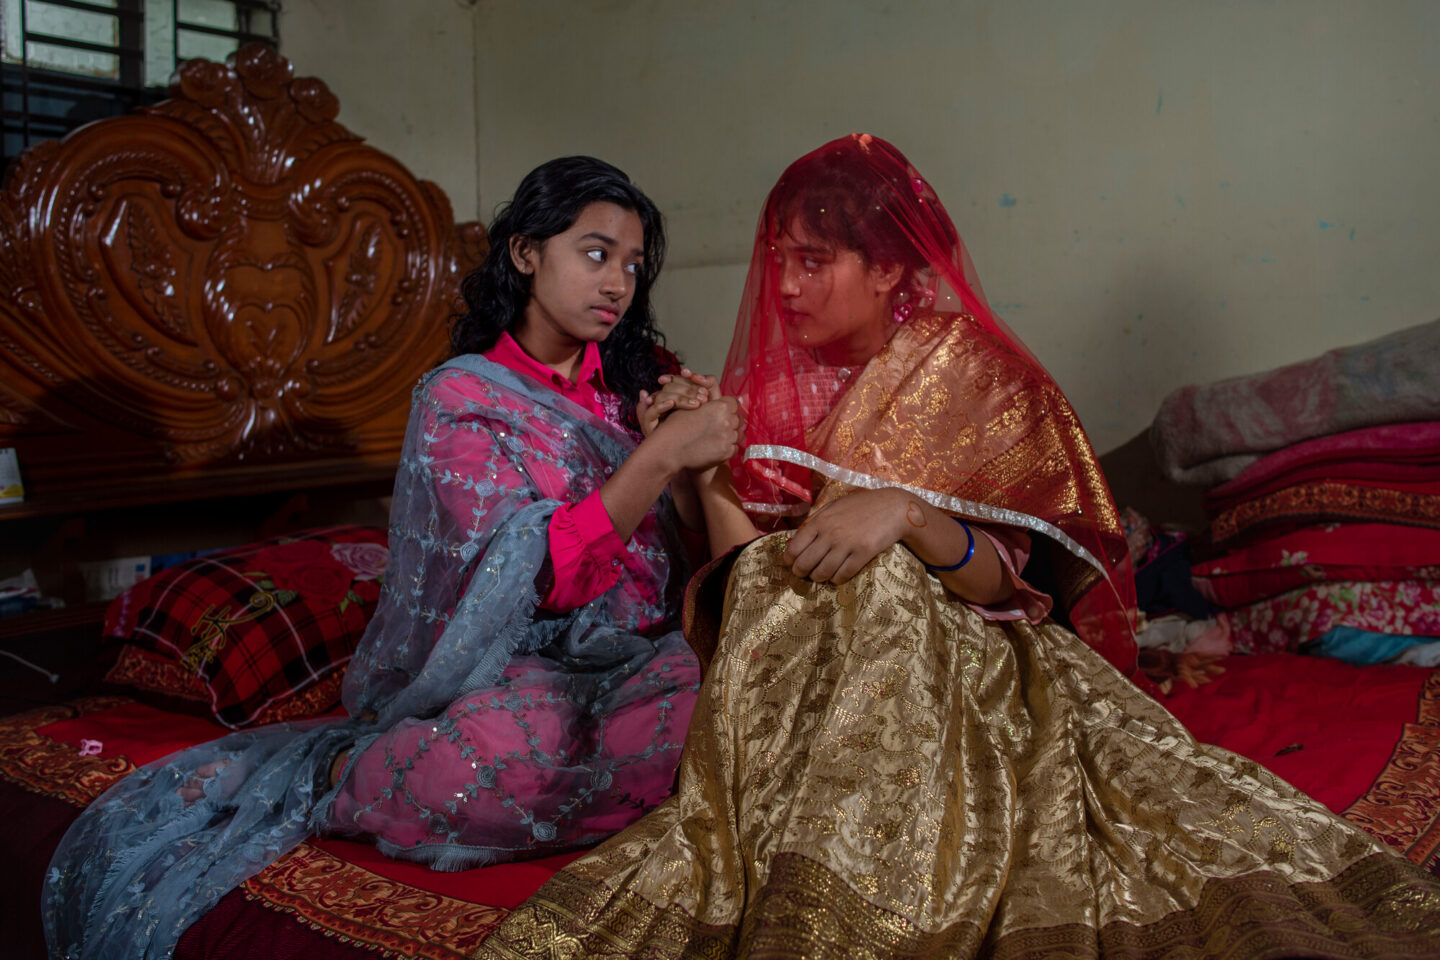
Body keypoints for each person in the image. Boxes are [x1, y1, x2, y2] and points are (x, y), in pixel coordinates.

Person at [476, 136, 1440, 959]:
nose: (784, 285)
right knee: (807, 577)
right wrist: (705, 475)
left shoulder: (969, 375)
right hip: (799, 667)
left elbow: (1012, 591)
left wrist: (906, 514)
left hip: (962, 657)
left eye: (815, 261)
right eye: (778, 259)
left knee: (888, 581)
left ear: (889, 267)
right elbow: (751, 591)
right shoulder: (768, 393)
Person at [44, 156, 740, 960]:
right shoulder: (459, 399)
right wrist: (654, 461)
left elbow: (682, 547)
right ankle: (362, 776)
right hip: (514, 675)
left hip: (642, 657)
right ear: (524, 253)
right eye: (594, 252)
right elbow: (536, 580)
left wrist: (682, 451)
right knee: (478, 766)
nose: (617, 281)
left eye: (630, 264)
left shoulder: (632, 386)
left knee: (733, 702)